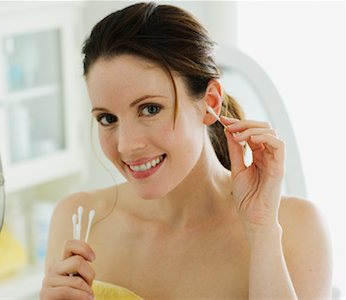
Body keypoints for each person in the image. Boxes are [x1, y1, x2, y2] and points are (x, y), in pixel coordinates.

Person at [40, 2, 332, 299]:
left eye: (150, 109)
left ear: (211, 103)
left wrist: (261, 230)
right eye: (107, 119)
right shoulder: (79, 220)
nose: (126, 145)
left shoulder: (297, 228)